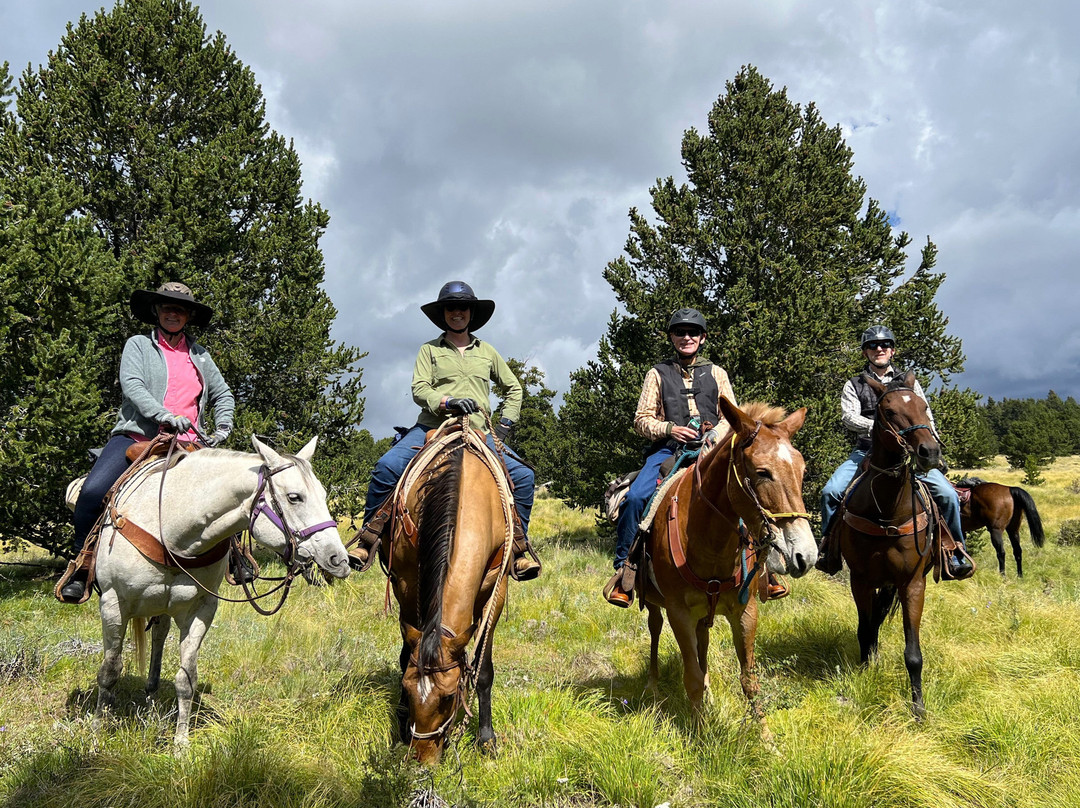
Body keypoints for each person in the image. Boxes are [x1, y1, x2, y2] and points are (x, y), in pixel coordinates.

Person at [349, 281, 541, 581]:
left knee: (524, 477)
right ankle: (368, 537)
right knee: (387, 467)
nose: (457, 312)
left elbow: (513, 387)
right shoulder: (429, 350)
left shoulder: (487, 352)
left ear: (471, 312)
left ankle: (518, 548)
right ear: (443, 313)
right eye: (451, 307)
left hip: (478, 430)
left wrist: (504, 426)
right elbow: (419, 388)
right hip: (433, 426)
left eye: (463, 307)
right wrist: (447, 401)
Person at [59, 282, 235, 603]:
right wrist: (165, 415)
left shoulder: (200, 355)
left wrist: (223, 426)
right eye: (166, 306)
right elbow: (133, 385)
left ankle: (236, 559)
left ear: (189, 316)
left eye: (180, 308)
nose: (172, 313)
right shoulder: (138, 345)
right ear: (156, 310)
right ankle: (82, 566)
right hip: (137, 436)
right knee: (93, 492)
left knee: (233, 492)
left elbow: (223, 394)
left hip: (191, 444)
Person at [603, 308, 788, 607]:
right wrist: (669, 428)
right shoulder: (657, 373)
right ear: (672, 338)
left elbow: (733, 415)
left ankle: (764, 569)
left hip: (713, 449)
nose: (686, 337)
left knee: (746, 493)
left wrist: (715, 435)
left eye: (692, 332)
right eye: (680, 332)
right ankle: (626, 571)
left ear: (702, 338)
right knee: (637, 497)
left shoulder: (717, 373)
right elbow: (641, 419)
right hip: (668, 450)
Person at [818, 325, 974, 578]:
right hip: (868, 451)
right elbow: (848, 417)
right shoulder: (854, 384)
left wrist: (933, 443)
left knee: (946, 494)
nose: (878, 349)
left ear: (892, 350)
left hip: (910, 453)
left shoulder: (910, 382)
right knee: (831, 492)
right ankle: (829, 550)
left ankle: (954, 551)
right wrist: (881, 429)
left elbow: (926, 415)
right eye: (872, 346)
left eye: (884, 345)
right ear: (865, 353)